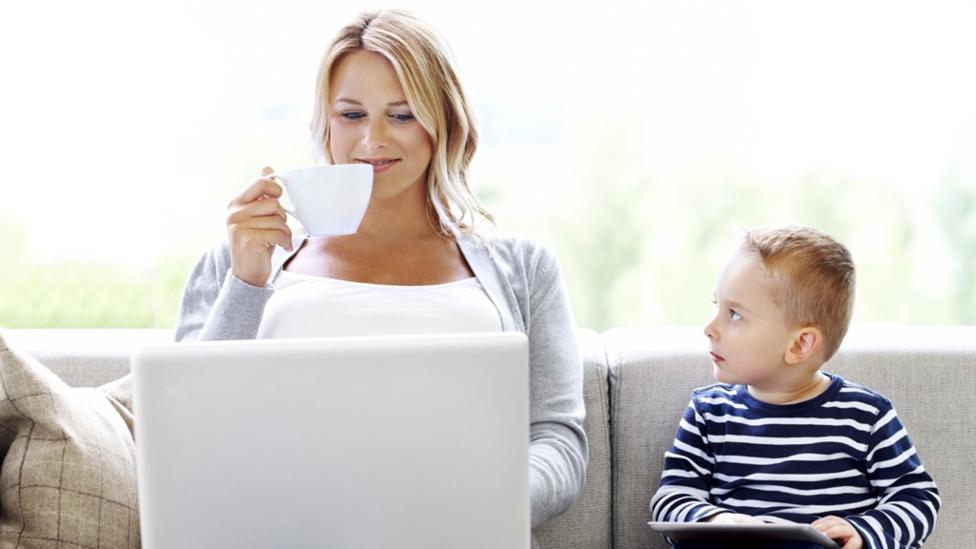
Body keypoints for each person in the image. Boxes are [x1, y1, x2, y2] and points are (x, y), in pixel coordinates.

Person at [173, 8, 586, 541]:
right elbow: (188, 438)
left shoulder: (526, 269)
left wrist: (482, 503)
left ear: (444, 122)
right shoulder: (235, 264)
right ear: (325, 123)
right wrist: (247, 283)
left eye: (402, 115)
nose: (373, 139)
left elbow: (558, 442)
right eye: (351, 115)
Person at [649, 225, 940, 549]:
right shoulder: (709, 412)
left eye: (734, 314)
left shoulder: (866, 416)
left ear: (800, 345)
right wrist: (715, 520)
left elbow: (917, 499)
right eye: (715, 304)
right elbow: (672, 497)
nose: (709, 327)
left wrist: (861, 531)